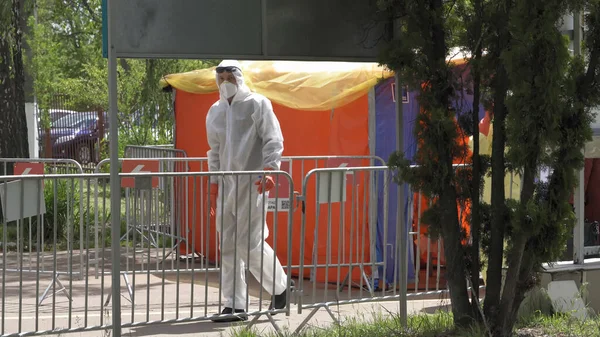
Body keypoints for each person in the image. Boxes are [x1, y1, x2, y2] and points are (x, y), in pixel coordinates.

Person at [205, 60, 290, 322]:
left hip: (253, 183)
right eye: (221, 78)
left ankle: (281, 286)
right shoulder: (215, 111)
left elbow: (273, 138)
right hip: (226, 185)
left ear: (240, 77)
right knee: (228, 245)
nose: (225, 82)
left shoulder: (257, 103)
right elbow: (215, 152)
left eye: (230, 76)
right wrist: (213, 188)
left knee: (250, 244)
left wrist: (270, 169)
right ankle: (234, 305)